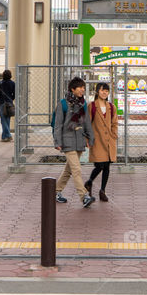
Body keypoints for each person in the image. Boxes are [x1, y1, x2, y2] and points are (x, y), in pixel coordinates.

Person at [53, 77, 95, 208]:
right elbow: (58, 125)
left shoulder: (83, 104)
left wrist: (90, 138)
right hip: (67, 141)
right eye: (80, 87)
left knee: (69, 170)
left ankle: (55, 191)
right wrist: (57, 141)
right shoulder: (63, 104)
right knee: (76, 169)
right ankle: (84, 196)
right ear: (72, 89)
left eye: (83, 87)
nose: (82, 90)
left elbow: (87, 122)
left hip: (79, 140)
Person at [86, 82, 117, 202]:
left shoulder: (111, 107)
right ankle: (89, 182)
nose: (104, 93)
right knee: (99, 165)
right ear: (97, 91)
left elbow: (114, 123)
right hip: (97, 140)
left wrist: (114, 135)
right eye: (102, 90)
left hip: (109, 141)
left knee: (107, 166)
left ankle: (102, 190)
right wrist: (87, 139)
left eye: (106, 91)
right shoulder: (92, 106)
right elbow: (87, 123)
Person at [0, 70, 16, 142]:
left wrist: (0, 101)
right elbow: (14, 94)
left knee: (3, 120)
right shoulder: (13, 83)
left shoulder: (0, 83)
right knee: (7, 120)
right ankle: (4, 137)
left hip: (2, 103)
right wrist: (11, 99)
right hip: (9, 103)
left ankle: (8, 135)